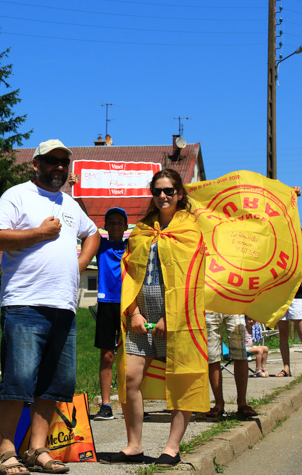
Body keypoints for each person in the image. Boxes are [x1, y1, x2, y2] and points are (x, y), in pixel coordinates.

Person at [0, 139, 100, 475]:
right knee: (18, 380)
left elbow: (92, 233)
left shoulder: (69, 203)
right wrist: (38, 233)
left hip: (64, 306)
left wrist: (78, 264)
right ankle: (6, 452)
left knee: (55, 383)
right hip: (24, 304)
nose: (59, 168)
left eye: (64, 163)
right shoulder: (17, 195)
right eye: (52, 161)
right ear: (36, 164)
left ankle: (37, 449)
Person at [102, 169, 208, 467]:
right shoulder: (141, 229)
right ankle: (134, 446)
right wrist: (133, 311)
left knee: (182, 379)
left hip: (179, 315)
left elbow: (192, 278)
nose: (163, 195)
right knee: (130, 377)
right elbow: (129, 271)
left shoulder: (191, 229)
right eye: (158, 190)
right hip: (140, 312)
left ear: (180, 194)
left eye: (169, 191)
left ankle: (172, 448)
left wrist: (168, 316)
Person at [91, 207, 129, 420]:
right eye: (111, 222)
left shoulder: (133, 245)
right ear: (105, 226)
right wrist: (76, 193)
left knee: (132, 356)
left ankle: (132, 401)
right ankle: (106, 405)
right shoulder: (101, 245)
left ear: (126, 226)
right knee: (107, 355)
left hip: (129, 304)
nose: (115, 225)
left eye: (119, 222)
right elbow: (85, 222)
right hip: (106, 303)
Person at [205, 312, 258, 419]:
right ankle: (219, 403)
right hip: (210, 305)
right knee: (212, 355)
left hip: (235, 305)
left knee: (240, 353)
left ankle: (242, 403)